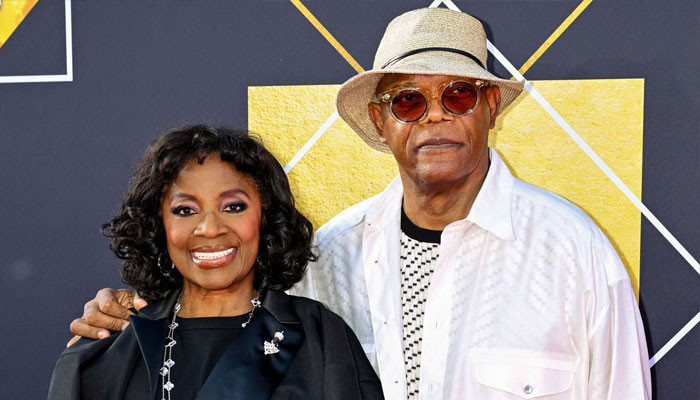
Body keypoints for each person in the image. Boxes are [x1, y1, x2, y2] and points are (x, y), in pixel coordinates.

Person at [67, 8, 652, 400]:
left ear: (490, 108)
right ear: (379, 119)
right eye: (408, 101)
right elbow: (219, 321)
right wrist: (124, 312)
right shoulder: (327, 260)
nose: (435, 116)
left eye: (457, 94)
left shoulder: (573, 251)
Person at [49, 125, 383, 399]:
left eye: (233, 207)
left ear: (265, 217)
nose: (209, 228)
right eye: (185, 210)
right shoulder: (106, 351)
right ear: (159, 224)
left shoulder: (320, 336)